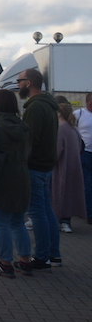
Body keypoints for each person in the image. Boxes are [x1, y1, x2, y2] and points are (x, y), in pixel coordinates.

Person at [0, 90, 33, 277]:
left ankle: (5, 264)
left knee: (1, 224)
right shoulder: (24, 126)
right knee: (18, 223)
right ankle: (25, 261)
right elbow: (29, 152)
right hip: (21, 177)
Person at [17, 68, 59, 269]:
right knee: (46, 211)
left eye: (20, 81)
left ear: (29, 83)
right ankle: (54, 254)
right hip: (46, 165)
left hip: (35, 165)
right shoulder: (48, 104)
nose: (18, 85)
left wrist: (21, 161)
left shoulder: (35, 107)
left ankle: (42, 257)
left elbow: (29, 139)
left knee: (37, 213)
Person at [52, 97, 85, 234]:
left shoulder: (60, 129)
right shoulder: (74, 129)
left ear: (59, 113)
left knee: (59, 194)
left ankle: (59, 221)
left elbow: (56, 152)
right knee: (70, 195)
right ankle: (66, 221)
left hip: (61, 168)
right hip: (75, 166)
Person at [75, 93, 92, 226]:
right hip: (85, 152)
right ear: (87, 101)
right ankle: (89, 213)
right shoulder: (79, 114)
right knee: (87, 182)